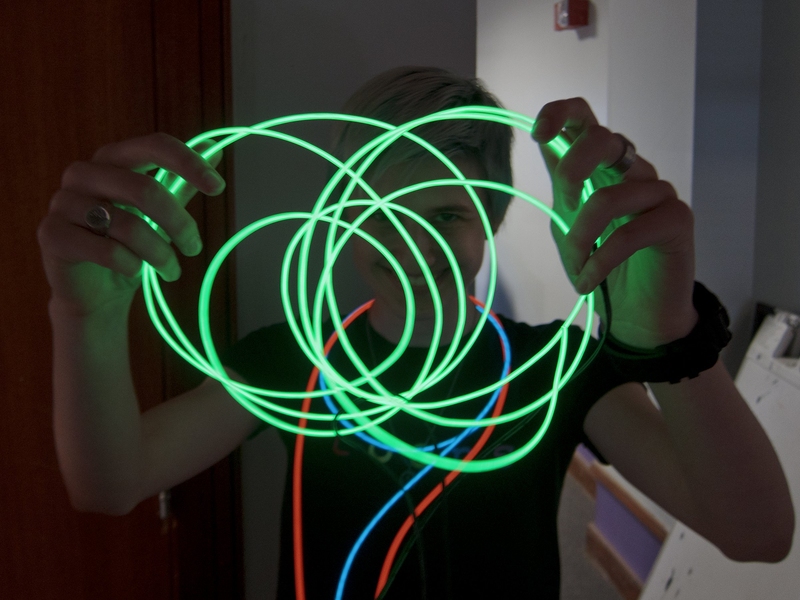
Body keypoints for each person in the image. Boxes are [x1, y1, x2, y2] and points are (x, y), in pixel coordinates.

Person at [38, 66, 794, 598]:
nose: (410, 242)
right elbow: (110, 482)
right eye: (380, 208)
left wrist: (668, 334)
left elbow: (758, 534)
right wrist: (85, 318)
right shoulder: (295, 361)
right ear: (339, 216)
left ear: (492, 220)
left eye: (447, 213)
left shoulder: (552, 370)